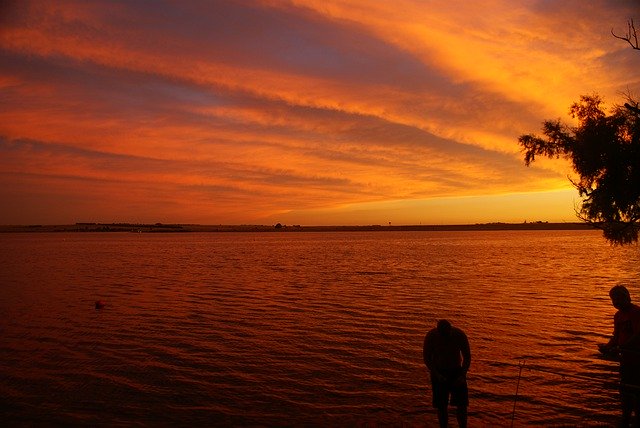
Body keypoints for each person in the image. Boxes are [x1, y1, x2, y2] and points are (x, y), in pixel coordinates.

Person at [599, 285, 640, 426]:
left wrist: (621, 347)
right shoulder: (617, 316)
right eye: (613, 299)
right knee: (624, 391)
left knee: (636, 391)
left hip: (637, 361)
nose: (616, 302)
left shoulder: (636, 312)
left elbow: (638, 335)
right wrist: (607, 346)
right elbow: (616, 336)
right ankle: (625, 419)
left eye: (619, 298)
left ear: (627, 297)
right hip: (626, 361)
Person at [423, 319, 471, 428]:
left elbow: (467, 357)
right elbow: (426, 358)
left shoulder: (459, 335)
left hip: (456, 372)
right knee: (441, 406)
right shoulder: (431, 336)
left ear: (451, 329)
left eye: (447, 334)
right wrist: (436, 374)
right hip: (439, 372)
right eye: (442, 335)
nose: (445, 337)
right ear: (438, 331)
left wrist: (462, 375)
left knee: (462, 405)